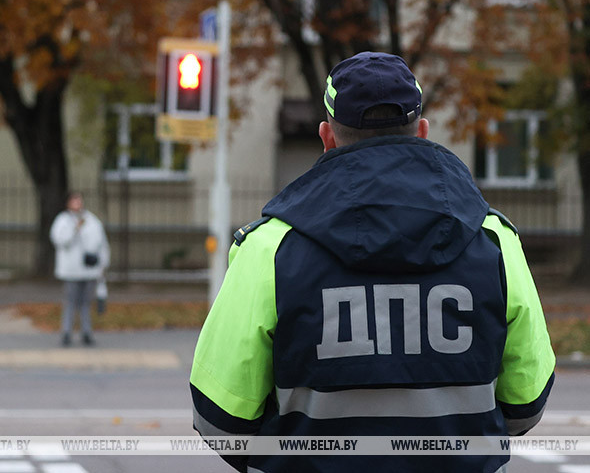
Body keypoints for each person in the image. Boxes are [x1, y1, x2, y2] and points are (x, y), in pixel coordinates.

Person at [190, 52, 555, 473]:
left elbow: (220, 419)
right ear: (421, 132)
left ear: (327, 137)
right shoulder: (494, 242)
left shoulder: (270, 249)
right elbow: (525, 403)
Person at [49, 192, 110, 347]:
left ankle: (86, 332)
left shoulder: (91, 220)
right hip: (71, 270)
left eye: (79, 200)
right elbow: (60, 240)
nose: (77, 203)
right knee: (70, 302)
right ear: (68, 203)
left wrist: (104, 264)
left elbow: (102, 243)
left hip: (89, 270)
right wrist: (75, 229)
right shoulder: (63, 220)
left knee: (86, 303)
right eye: (74, 200)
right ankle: (66, 332)